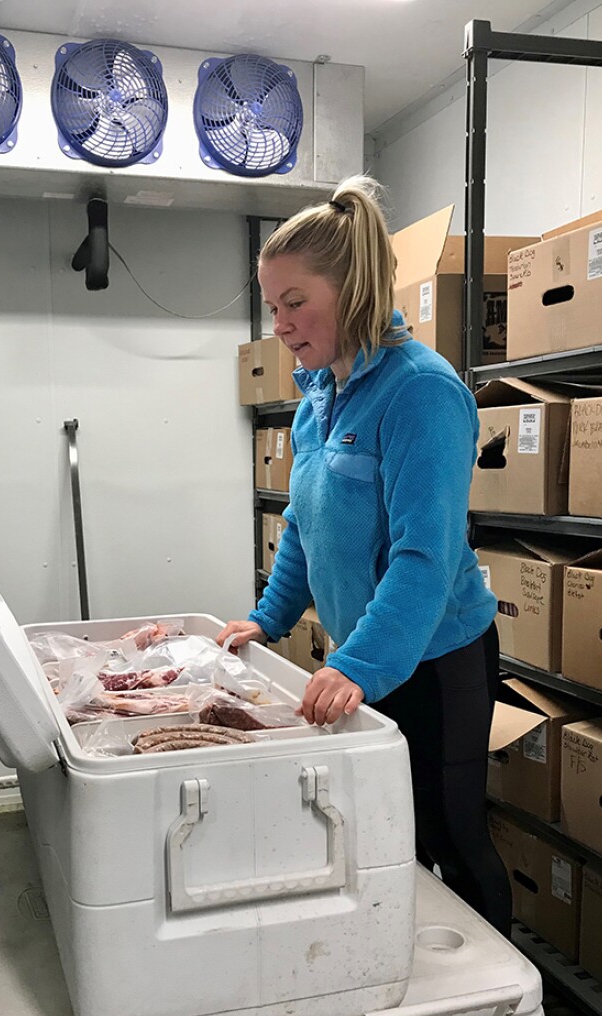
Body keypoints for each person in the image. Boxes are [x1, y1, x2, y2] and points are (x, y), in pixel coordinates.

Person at [217, 176, 511, 936]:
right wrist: (267, 619)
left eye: (295, 302)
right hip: (373, 661)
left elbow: (424, 557)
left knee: (452, 836)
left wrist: (355, 666)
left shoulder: (421, 394)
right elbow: (305, 526)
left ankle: (503, 987)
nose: (280, 324)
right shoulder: (320, 396)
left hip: (438, 661)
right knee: (387, 830)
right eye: (272, 306)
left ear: (351, 290)